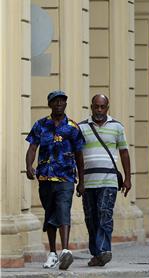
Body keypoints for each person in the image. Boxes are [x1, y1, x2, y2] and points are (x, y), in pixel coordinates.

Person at [25, 90, 85, 270]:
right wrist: (28, 166)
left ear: (66, 104)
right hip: (44, 177)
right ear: (49, 104)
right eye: (55, 101)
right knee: (50, 213)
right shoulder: (40, 125)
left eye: (62, 101)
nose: (59, 104)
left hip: (66, 177)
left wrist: (81, 181)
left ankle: (65, 250)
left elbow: (80, 155)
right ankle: (52, 253)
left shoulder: (73, 128)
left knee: (63, 209)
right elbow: (32, 147)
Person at [78, 95, 132, 267]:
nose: (99, 110)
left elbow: (124, 152)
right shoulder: (81, 128)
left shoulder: (117, 127)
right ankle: (96, 254)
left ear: (107, 107)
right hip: (88, 181)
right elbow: (76, 155)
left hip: (109, 179)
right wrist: (79, 180)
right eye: (96, 107)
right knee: (91, 217)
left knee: (105, 213)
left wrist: (128, 178)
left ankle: (104, 250)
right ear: (91, 107)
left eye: (102, 107)